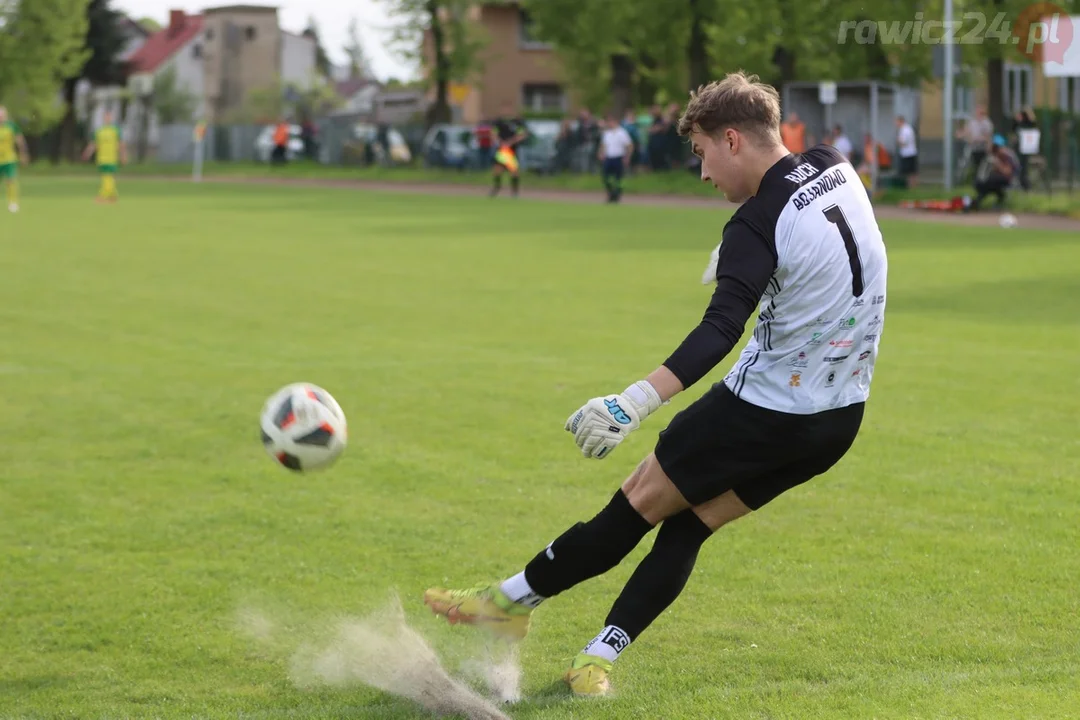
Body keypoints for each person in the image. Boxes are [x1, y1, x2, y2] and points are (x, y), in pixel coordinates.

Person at [424, 71, 888, 698]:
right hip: (838, 420)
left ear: (731, 140)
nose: (702, 174)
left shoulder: (754, 225)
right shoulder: (835, 166)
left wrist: (633, 401)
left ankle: (508, 601)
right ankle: (598, 658)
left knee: (632, 508)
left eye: (700, 154)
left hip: (765, 409)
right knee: (692, 524)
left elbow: (722, 327)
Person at [81, 111, 127, 203]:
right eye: (106, 117)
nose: (107, 119)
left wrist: (123, 155)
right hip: (102, 158)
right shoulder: (99, 131)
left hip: (112, 158)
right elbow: (94, 144)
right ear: (103, 118)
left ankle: (103, 195)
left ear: (111, 118)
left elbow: (121, 144)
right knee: (106, 177)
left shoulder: (115, 130)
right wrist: (87, 153)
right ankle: (113, 196)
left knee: (108, 177)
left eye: (109, 117)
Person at [968, 134, 1019, 212]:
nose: (994, 148)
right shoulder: (992, 155)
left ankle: (981, 200)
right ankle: (979, 201)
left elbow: (1007, 172)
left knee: (988, 181)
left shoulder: (1006, 155)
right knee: (980, 182)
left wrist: (998, 164)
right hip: (994, 179)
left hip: (1007, 179)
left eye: (996, 146)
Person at [490, 103, 529, 197]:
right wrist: (500, 142)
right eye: (504, 109)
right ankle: (496, 187)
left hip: (512, 150)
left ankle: (514, 191)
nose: (505, 111)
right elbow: (493, 134)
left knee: (514, 171)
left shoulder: (517, 122)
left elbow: (522, 134)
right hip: (502, 150)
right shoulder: (498, 122)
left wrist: (511, 142)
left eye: (508, 109)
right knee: (497, 170)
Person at [0, 105, 30, 213]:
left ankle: (13, 203)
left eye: (2, 115)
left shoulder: (11, 126)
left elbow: (20, 141)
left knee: (10, 180)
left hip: (9, 159)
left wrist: (23, 154)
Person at [598, 113, 634, 203]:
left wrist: (627, 157)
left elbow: (629, 145)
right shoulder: (607, 133)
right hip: (609, 157)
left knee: (618, 178)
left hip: (618, 157)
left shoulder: (622, 132)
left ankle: (617, 195)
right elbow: (603, 145)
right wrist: (601, 153)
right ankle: (610, 193)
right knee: (606, 177)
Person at [957, 105, 993, 182]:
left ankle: (982, 180)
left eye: (979, 112)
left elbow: (988, 136)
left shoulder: (986, 123)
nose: (977, 114)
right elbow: (967, 132)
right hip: (973, 147)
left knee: (982, 165)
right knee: (973, 164)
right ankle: (973, 180)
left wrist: (988, 146)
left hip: (982, 147)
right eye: (976, 112)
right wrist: (962, 134)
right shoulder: (972, 122)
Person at [895, 115, 918, 188]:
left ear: (900, 121)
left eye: (897, 122)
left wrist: (898, 141)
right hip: (909, 152)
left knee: (910, 171)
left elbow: (903, 142)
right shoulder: (907, 128)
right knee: (911, 171)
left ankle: (911, 185)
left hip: (908, 153)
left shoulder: (905, 130)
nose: (896, 124)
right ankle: (911, 185)